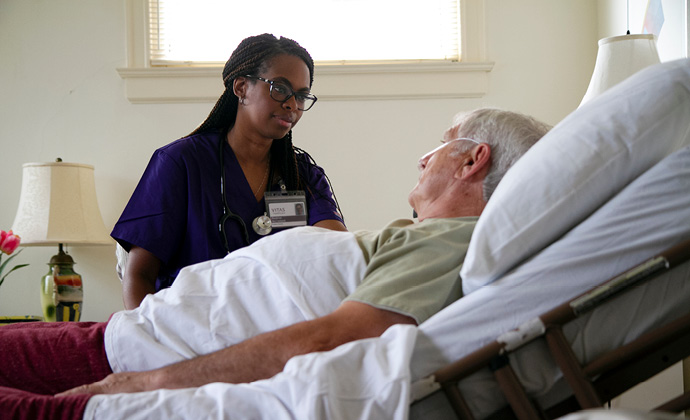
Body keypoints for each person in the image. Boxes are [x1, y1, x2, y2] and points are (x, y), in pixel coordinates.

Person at [0, 108, 551, 418]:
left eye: (444, 142)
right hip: (129, 337)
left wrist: (144, 384)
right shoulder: (184, 159)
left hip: (130, 357)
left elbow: (332, 339)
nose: (424, 156)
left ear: (474, 161)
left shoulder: (451, 241)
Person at [112, 34, 346, 310]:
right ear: (241, 87)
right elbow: (139, 275)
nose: (292, 104)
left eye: (301, 95)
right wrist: (148, 342)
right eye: (280, 88)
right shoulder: (180, 163)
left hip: (276, 328)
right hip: (189, 326)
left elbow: (338, 253)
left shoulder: (303, 175)